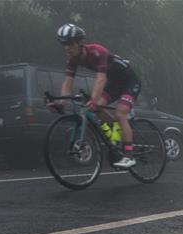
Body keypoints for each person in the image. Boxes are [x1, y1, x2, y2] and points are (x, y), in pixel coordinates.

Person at [53, 24, 141, 168]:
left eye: (69, 43)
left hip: (129, 80)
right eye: (64, 44)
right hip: (114, 83)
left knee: (120, 114)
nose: (66, 48)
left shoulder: (97, 51)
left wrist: (93, 100)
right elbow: (67, 83)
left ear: (80, 42)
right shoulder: (72, 59)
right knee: (94, 109)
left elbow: (101, 79)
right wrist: (61, 103)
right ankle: (116, 132)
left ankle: (129, 156)